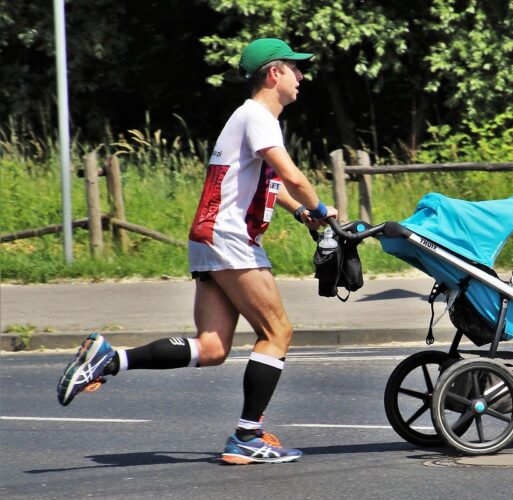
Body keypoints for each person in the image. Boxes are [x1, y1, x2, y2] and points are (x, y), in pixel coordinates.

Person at [56, 38, 337, 465]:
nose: (301, 77)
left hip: (209, 237)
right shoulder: (258, 116)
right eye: (294, 69)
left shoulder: (245, 119)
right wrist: (321, 210)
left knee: (211, 348)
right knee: (277, 331)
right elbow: (292, 175)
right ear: (273, 73)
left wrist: (301, 214)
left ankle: (110, 359)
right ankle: (247, 435)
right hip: (230, 239)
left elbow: (263, 183)